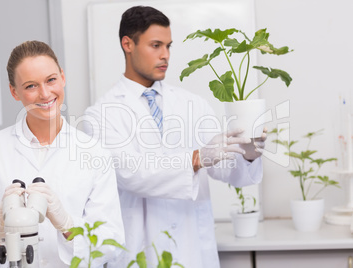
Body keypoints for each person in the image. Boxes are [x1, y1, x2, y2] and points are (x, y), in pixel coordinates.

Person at [83, 6, 266, 268]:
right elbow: (129, 174)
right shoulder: (99, 115)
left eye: (168, 46)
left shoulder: (192, 104)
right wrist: (196, 158)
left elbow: (224, 169)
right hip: (140, 253)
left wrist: (248, 155)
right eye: (155, 45)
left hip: (193, 250)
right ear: (128, 44)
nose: (165, 55)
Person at [0, 40, 125, 268]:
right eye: (30, 86)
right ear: (14, 91)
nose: (45, 94)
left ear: (62, 77)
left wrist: (67, 225)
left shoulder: (95, 153)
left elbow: (112, 243)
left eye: (51, 80)